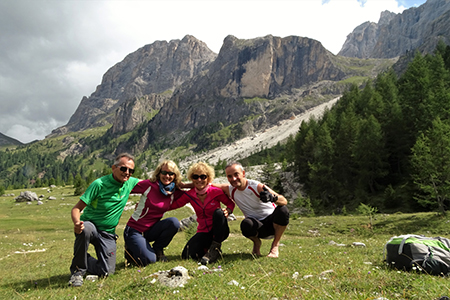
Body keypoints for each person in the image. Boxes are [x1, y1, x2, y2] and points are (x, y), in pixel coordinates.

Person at [69, 153, 139, 287]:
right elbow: (76, 208)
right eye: (123, 169)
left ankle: (85, 259)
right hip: (91, 226)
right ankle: (77, 272)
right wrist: (77, 223)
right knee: (85, 229)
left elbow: (153, 185)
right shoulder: (99, 184)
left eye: (131, 170)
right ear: (114, 168)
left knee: (107, 272)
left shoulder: (130, 182)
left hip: (108, 233)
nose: (127, 173)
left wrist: (186, 184)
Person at [217, 161, 289, 258]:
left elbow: (284, 201)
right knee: (245, 224)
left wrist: (272, 198)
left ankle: (275, 246)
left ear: (243, 173)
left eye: (236, 174)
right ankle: (256, 242)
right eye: (229, 176)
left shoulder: (256, 186)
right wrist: (190, 184)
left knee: (283, 210)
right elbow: (204, 185)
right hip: (256, 226)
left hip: (272, 223)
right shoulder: (230, 189)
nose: (233, 179)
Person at [170, 162, 235, 265]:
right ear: (192, 178)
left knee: (219, 213)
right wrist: (151, 204)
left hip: (219, 230)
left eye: (203, 177)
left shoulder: (216, 191)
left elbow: (231, 204)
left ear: (208, 178)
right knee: (186, 255)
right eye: (195, 177)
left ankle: (215, 247)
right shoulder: (189, 194)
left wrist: (228, 211)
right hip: (203, 231)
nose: (199, 180)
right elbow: (173, 205)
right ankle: (211, 251)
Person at [123, 160, 185, 266]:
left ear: (175, 176)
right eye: (164, 173)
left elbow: (196, 190)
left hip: (151, 230)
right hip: (135, 229)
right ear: (159, 173)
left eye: (171, 174)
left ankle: (158, 249)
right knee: (149, 260)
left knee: (173, 222)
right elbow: (125, 185)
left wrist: (187, 184)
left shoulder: (174, 191)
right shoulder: (149, 184)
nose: (167, 176)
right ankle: (131, 251)